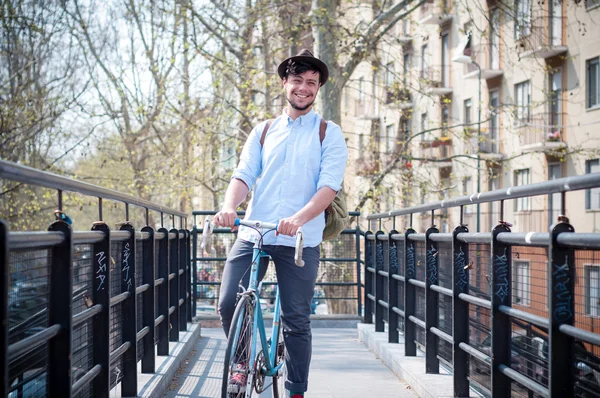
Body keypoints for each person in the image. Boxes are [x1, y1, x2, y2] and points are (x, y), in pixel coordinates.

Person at [214, 49, 348, 397]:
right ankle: (241, 365)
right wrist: (229, 206)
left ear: (317, 89)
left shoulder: (327, 133)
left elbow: (329, 186)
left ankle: (296, 390)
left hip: (299, 238)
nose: (303, 88)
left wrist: (298, 219)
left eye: (311, 83)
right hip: (255, 233)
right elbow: (243, 175)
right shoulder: (264, 130)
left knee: (296, 321)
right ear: (284, 84)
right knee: (230, 302)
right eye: (297, 81)